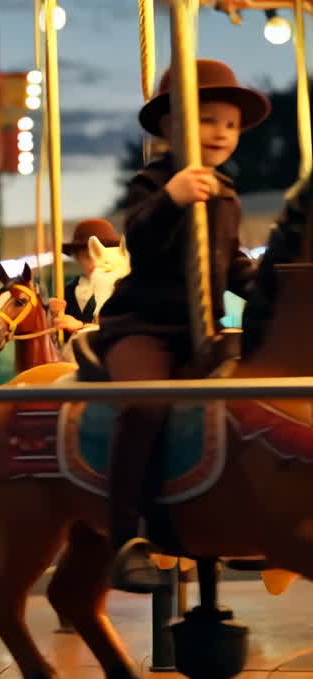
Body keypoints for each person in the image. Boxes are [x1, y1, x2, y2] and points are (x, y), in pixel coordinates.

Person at [95, 59, 271, 592]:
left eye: (230, 124)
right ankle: (126, 535)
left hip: (202, 331)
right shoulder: (153, 183)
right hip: (144, 325)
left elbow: (231, 263)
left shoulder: (225, 193)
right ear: (171, 127)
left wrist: (274, 290)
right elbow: (142, 240)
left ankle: (235, 519)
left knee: (251, 408)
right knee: (145, 405)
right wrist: (172, 198)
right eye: (207, 119)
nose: (221, 132)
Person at [50, 218, 122, 334]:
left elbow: (122, 326)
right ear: (76, 257)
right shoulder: (65, 292)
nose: (95, 263)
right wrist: (51, 317)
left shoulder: (121, 289)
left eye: (100, 257)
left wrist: (81, 326)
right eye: (88, 257)